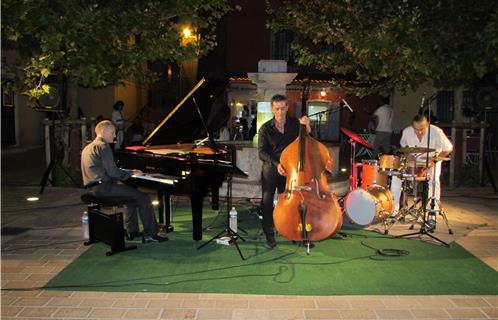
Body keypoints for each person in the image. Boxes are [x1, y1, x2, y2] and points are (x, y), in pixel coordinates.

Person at [81, 120, 167, 243]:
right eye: (112, 132)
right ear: (103, 131)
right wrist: (131, 173)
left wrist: (122, 176)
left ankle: (132, 231)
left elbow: (103, 170)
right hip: (104, 189)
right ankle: (150, 234)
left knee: (131, 196)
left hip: (92, 188)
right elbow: (113, 172)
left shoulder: (88, 147)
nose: (114, 136)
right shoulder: (103, 146)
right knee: (144, 198)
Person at [258, 94, 311, 248]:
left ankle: (293, 232)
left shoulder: (295, 124)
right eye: (277, 109)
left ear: (287, 108)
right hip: (271, 169)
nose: (280, 112)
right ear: (272, 109)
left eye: (283, 108)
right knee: (267, 202)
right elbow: (261, 152)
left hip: (290, 171)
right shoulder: (265, 128)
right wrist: (276, 164)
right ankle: (269, 234)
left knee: (291, 203)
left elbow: (307, 140)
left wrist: (307, 126)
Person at [397, 114, 453, 227]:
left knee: (433, 181)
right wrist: (408, 156)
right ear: (412, 126)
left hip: (433, 160)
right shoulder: (407, 132)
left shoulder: (436, 132)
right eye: (416, 129)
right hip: (415, 161)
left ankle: (432, 212)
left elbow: (448, 148)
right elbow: (404, 147)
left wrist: (434, 161)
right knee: (396, 177)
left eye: (421, 129)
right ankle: (394, 210)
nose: (419, 132)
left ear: (427, 125)